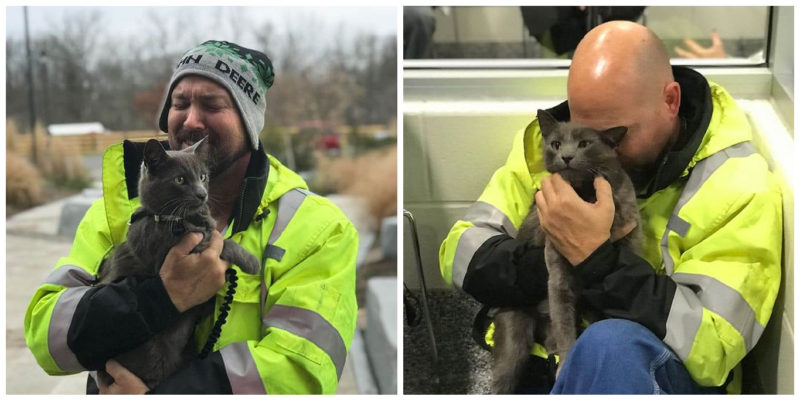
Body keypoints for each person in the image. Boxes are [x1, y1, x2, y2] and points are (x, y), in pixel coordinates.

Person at [439, 21, 781, 394]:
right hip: (542, 360)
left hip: (641, 369)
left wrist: (601, 261)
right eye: (583, 130)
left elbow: (713, 346)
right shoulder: (557, 149)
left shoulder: (738, 186)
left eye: (615, 136)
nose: (587, 154)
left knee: (609, 344)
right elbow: (461, 251)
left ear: (671, 101)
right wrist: (554, 258)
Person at [24, 40, 358, 394]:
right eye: (179, 103)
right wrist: (158, 298)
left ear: (249, 122)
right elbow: (48, 336)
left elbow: (303, 369)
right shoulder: (116, 210)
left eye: (212, 105)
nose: (191, 119)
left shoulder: (319, 228)